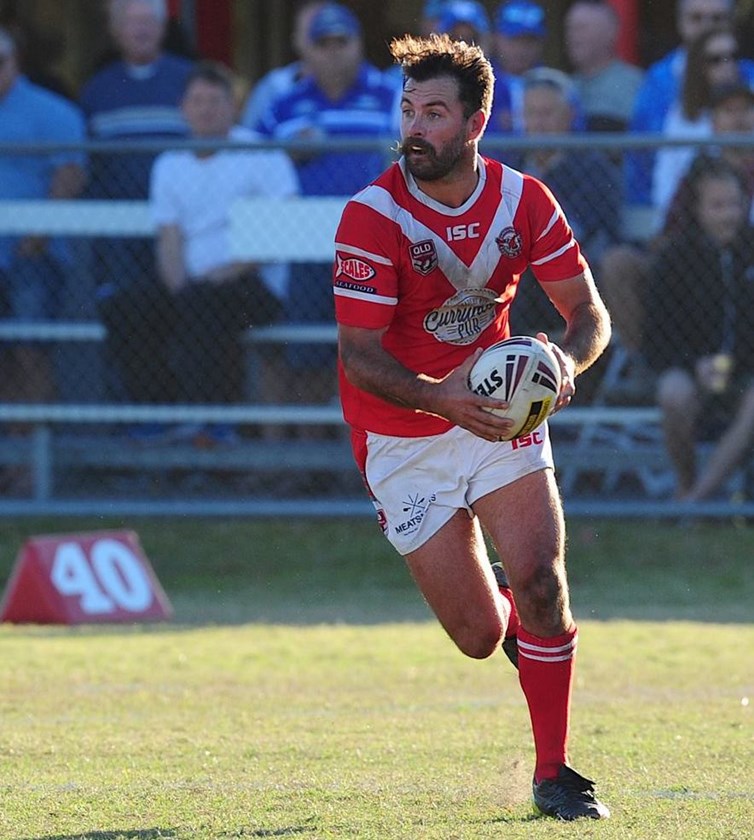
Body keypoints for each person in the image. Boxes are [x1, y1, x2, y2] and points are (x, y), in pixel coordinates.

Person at [334, 33, 612, 819]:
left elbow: (589, 314)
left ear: (477, 121)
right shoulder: (372, 215)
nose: (415, 128)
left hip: (496, 415)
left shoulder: (526, 200)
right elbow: (359, 357)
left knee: (542, 580)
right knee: (479, 636)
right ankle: (515, 626)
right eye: (408, 110)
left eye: (434, 113)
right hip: (401, 434)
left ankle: (554, 774)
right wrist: (441, 399)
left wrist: (566, 363)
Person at [101, 61, 298, 442]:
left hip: (253, 284)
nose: (206, 109)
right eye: (197, 101)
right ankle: (158, 416)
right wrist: (179, 286)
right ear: (183, 108)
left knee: (205, 304)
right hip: (193, 286)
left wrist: (223, 274)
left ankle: (215, 422)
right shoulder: (170, 164)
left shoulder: (261, 153)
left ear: (233, 107)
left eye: (215, 100)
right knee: (125, 306)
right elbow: (169, 238)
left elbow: (283, 230)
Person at [254, 2, 395, 409]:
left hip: (373, 241)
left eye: (342, 42)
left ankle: (359, 440)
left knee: (372, 347)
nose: (333, 52)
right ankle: (311, 440)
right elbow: (251, 162)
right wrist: (285, 153)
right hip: (305, 243)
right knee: (309, 351)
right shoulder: (283, 104)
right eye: (323, 43)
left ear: (359, 45)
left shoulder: (390, 96)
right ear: (307, 51)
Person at [79, 0, 194, 406]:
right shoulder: (96, 90)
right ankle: (140, 417)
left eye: (148, 21)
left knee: (186, 320)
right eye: (131, 22)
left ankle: (187, 416)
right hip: (120, 238)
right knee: (128, 319)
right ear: (115, 31)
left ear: (163, 28)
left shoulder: (188, 80)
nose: (141, 30)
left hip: (182, 231)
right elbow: (87, 167)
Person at [645, 157, 754, 501]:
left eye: (735, 204)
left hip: (744, 372)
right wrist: (694, 364)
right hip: (692, 368)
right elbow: (657, 337)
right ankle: (686, 483)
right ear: (697, 209)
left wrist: (736, 364)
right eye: (718, 206)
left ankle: (694, 502)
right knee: (673, 394)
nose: (729, 215)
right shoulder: (674, 258)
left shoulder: (750, 250)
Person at [0, 26, 86, 407]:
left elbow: (70, 175)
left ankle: (35, 437)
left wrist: (39, 234)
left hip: (31, 255)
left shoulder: (52, 112)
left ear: (15, 61)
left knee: (30, 348)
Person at [507, 67, 621, 339]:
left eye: (547, 113)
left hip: (573, 261)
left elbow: (586, 228)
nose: (539, 123)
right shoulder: (510, 166)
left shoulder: (593, 167)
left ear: (569, 115)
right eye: (531, 113)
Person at [625, 0, 754, 208]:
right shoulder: (658, 82)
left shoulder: (751, 77)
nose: (707, 26)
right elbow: (645, 161)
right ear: (680, 22)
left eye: (717, 18)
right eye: (697, 18)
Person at [651, 26, 743, 221]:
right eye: (716, 59)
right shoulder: (682, 116)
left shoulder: (750, 108)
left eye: (733, 57)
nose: (727, 65)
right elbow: (667, 177)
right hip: (692, 219)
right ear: (699, 65)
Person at [240, 0, 325, 130]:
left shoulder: (361, 85)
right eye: (312, 32)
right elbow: (250, 137)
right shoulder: (274, 87)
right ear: (296, 40)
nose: (328, 44)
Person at [564, 0, 644, 133]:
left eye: (581, 28)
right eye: (569, 28)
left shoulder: (636, 86)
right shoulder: (565, 87)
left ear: (610, 33)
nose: (572, 36)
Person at [488, 0, 547, 134]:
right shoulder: (478, 83)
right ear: (496, 38)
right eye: (514, 39)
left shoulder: (555, 86)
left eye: (529, 41)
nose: (521, 48)